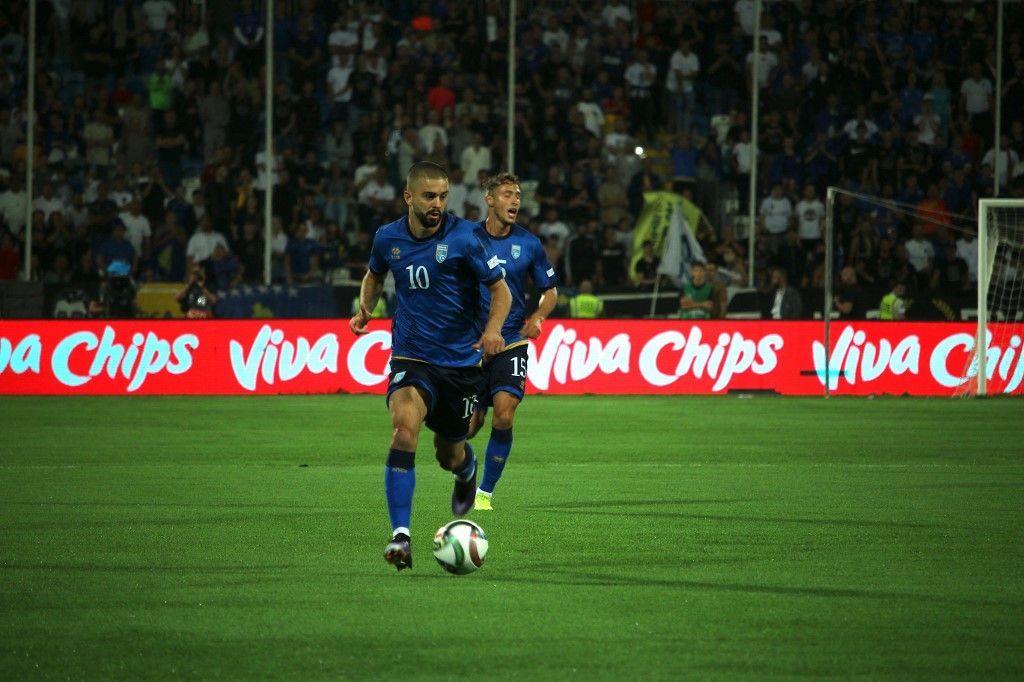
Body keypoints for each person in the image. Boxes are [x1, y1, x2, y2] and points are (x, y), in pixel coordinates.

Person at [349, 162, 511, 572]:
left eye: (443, 196)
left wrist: (493, 331)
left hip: (460, 364)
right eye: (429, 196)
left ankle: (466, 468)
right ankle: (400, 537)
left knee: (448, 452)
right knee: (404, 430)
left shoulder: (467, 238)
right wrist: (365, 305)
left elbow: (502, 293)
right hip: (411, 356)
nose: (438, 204)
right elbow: (374, 274)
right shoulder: (388, 238)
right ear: (409, 197)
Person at [465, 172, 558, 512]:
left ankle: (485, 493)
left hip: (511, 341)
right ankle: (466, 472)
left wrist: (538, 317)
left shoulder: (530, 244)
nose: (515, 200)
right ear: (489, 200)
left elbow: (550, 291)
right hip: (470, 344)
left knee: (504, 414)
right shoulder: (467, 238)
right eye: (507, 194)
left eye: (517, 195)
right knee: (468, 429)